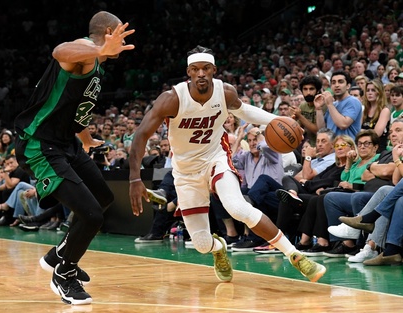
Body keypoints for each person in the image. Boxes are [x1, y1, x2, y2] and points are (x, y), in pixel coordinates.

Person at [129, 45, 326, 283]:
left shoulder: (225, 92)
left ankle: (295, 255)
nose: (201, 73)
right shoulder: (172, 99)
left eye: (206, 68)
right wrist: (134, 178)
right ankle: (217, 248)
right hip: (185, 171)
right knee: (201, 244)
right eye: (195, 69)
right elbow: (140, 135)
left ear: (213, 70)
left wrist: (277, 120)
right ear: (188, 72)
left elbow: (246, 112)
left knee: (237, 207)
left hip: (216, 158)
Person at [14, 11, 134, 305]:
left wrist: (86, 137)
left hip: (67, 142)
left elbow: (73, 106)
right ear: (107, 32)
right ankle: (63, 273)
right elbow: (59, 51)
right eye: (119, 32)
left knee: (103, 198)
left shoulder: (98, 65)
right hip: (40, 144)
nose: (123, 38)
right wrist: (98, 49)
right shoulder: (82, 51)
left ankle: (58, 254)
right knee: (92, 215)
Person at [315, 70, 362, 139]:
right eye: (333, 83)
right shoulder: (333, 104)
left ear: (348, 86)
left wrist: (330, 104)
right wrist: (318, 108)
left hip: (347, 147)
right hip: (332, 147)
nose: (336, 85)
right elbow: (322, 129)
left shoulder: (353, 101)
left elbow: (343, 124)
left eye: (340, 82)